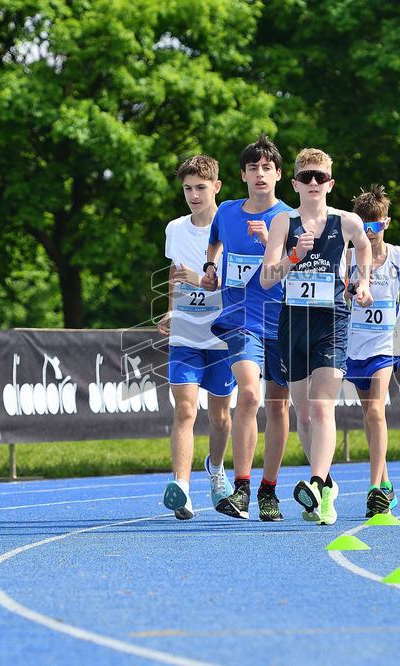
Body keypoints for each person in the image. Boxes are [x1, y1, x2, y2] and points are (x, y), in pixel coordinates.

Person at [260, 148, 373, 525]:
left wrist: (363, 281)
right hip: (294, 322)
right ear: (294, 184)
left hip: (332, 320)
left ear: (330, 183)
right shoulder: (283, 222)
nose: (313, 182)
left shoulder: (347, 221)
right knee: (304, 415)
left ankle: (315, 481)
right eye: (306, 177)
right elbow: (266, 279)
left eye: (319, 177)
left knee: (323, 406)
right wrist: (293, 257)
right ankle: (326, 488)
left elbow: (365, 247)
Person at [200, 134, 292, 521]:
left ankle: (269, 490)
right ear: (243, 175)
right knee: (250, 394)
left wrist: (273, 244)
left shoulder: (290, 218)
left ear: (279, 175)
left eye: (267, 168)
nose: (260, 174)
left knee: (277, 405)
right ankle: (241, 488)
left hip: (282, 322)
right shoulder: (226, 212)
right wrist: (210, 267)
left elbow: (304, 270)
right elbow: (214, 244)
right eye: (253, 168)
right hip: (240, 320)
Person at [159, 155, 236, 520]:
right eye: (188, 188)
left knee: (220, 417)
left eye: (201, 188)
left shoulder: (232, 228)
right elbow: (175, 274)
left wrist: (199, 280)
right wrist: (171, 310)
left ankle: (216, 470)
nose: (193, 195)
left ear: (216, 187)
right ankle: (182, 488)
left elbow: (236, 285)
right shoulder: (175, 229)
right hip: (186, 334)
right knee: (185, 410)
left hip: (222, 334)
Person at [345, 185, 400, 517]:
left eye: (376, 225)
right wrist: (352, 291)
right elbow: (343, 292)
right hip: (356, 345)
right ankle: (387, 486)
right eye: (364, 225)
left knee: (377, 411)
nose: (370, 232)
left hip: (384, 344)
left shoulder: (396, 254)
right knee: (369, 415)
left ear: (386, 223)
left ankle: (374, 489)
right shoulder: (350, 256)